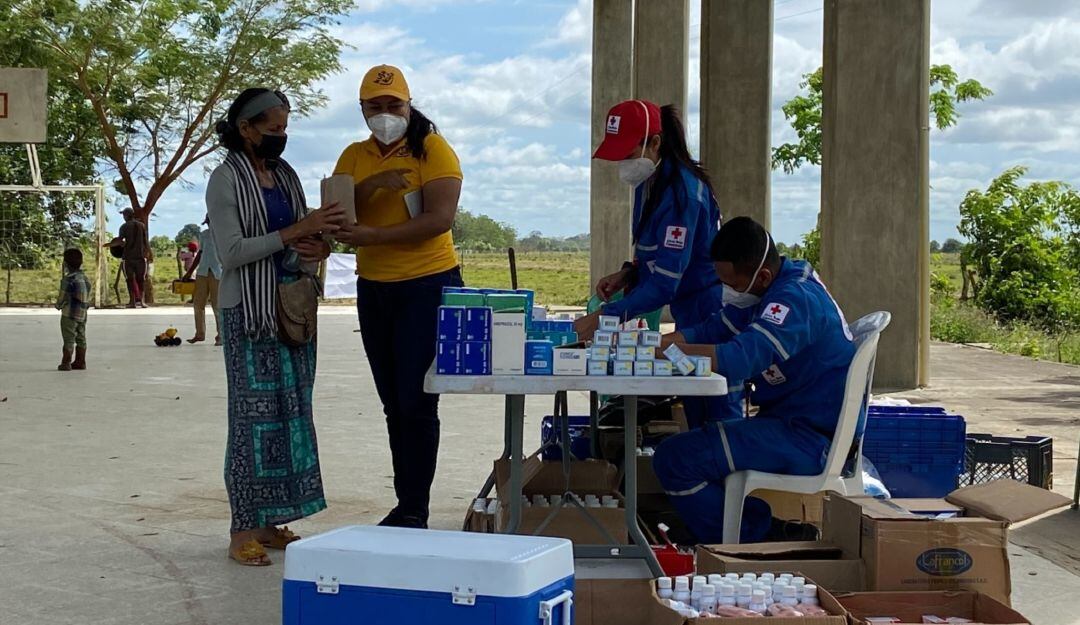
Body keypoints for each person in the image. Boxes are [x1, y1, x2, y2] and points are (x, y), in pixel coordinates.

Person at [652, 217, 856, 544]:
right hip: (789, 425)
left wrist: (670, 356)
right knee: (692, 450)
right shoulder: (769, 289)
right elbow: (714, 329)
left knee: (675, 459)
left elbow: (738, 359)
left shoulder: (794, 300)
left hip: (809, 438)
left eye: (731, 284)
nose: (727, 292)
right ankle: (756, 529)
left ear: (760, 276)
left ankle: (749, 539)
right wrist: (654, 344)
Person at [207, 87, 346, 566]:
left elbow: (302, 239)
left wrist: (317, 247)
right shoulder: (224, 180)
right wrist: (296, 231)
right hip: (249, 314)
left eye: (285, 129)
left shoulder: (284, 175)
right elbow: (232, 253)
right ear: (245, 129)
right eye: (273, 129)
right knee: (251, 422)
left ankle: (268, 523)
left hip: (292, 309)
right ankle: (240, 529)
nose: (281, 137)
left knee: (289, 415)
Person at [332, 64, 464, 529]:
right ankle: (406, 500)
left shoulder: (432, 149)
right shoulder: (353, 155)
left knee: (416, 399)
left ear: (408, 105)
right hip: (375, 291)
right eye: (376, 106)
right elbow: (338, 213)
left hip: (427, 286)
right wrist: (371, 186)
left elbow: (439, 218)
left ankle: (414, 508)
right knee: (392, 401)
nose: (385, 114)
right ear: (363, 109)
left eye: (394, 105)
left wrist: (372, 235)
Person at [572, 99, 736, 425]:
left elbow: (664, 283)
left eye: (629, 154)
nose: (623, 163)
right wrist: (628, 272)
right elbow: (654, 252)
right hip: (684, 311)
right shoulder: (648, 184)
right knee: (692, 404)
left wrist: (606, 317)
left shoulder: (682, 196)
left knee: (716, 410)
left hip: (708, 312)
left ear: (656, 143)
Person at [182, 217, 223, 345]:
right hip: (203, 272)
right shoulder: (204, 234)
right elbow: (200, 253)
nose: (210, 224)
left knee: (217, 306)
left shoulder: (223, 233)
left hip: (218, 272)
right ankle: (199, 334)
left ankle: (221, 335)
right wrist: (189, 272)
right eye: (208, 222)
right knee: (198, 304)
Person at [55, 248, 92, 371]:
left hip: (69, 314)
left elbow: (63, 295)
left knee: (69, 337)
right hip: (82, 313)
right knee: (81, 336)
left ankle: (66, 362)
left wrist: (58, 305)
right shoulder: (84, 277)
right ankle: (81, 361)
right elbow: (88, 290)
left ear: (65, 264)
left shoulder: (68, 279)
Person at [109, 209, 149, 307]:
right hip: (140, 257)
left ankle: (132, 302)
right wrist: (147, 253)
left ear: (126, 216)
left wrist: (108, 245)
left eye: (124, 215)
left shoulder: (124, 227)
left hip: (128, 257)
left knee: (130, 279)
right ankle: (142, 302)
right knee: (141, 279)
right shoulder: (142, 226)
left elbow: (119, 241)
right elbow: (145, 242)